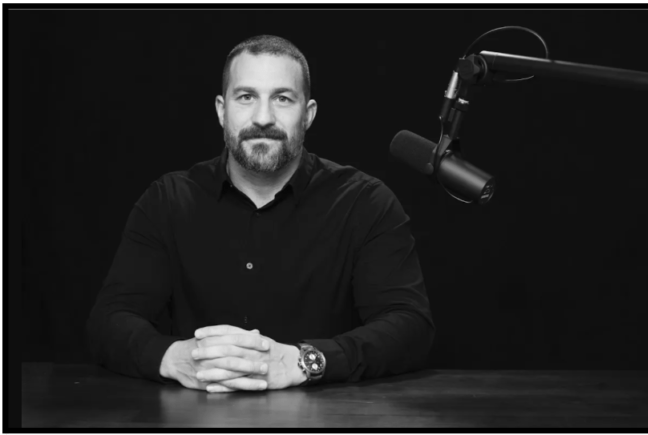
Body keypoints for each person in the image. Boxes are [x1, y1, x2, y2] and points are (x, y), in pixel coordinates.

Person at [87, 35, 435, 394]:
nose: (264, 117)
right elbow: (108, 321)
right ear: (222, 110)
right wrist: (173, 357)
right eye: (246, 97)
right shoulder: (167, 200)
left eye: (283, 98)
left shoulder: (365, 202)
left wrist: (305, 361)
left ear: (308, 114)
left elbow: (410, 327)